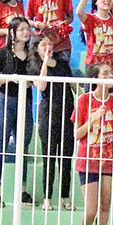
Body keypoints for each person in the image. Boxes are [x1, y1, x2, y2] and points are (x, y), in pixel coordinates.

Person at [0, 16, 37, 207]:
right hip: (5, 100)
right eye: (22, 29)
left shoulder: (32, 54)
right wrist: (10, 77)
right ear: (13, 33)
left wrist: (30, 81)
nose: (26, 32)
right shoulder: (2, 53)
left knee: (22, 146)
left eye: (28, 29)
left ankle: (22, 190)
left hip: (26, 101)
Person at [72, 66, 113, 225]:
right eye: (105, 73)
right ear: (96, 78)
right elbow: (77, 134)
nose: (110, 76)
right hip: (88, 160)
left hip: (108, 160)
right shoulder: (84, 100)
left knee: (105, 206)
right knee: (91, 210)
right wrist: (93, 119)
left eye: (112, 73)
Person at [35, 33, 78, 211]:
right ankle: (47, 197)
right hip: (49, 113)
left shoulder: (62, 64)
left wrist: (85, 97)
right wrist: (45, 62)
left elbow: (73, 85)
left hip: (67, 111)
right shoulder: (35, 65)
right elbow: (41, 86)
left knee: (66, 157)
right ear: (36, 48)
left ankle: (65, 197)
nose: (48, 48)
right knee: (49, 157)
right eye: (43, 45)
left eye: (50, 45)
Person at [26, 0, 74, 68]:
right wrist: (37, 24)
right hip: (42, 42)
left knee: (62, 71)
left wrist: (63, 23)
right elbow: (27, 20)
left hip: (61, 43)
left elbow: (70, 17)